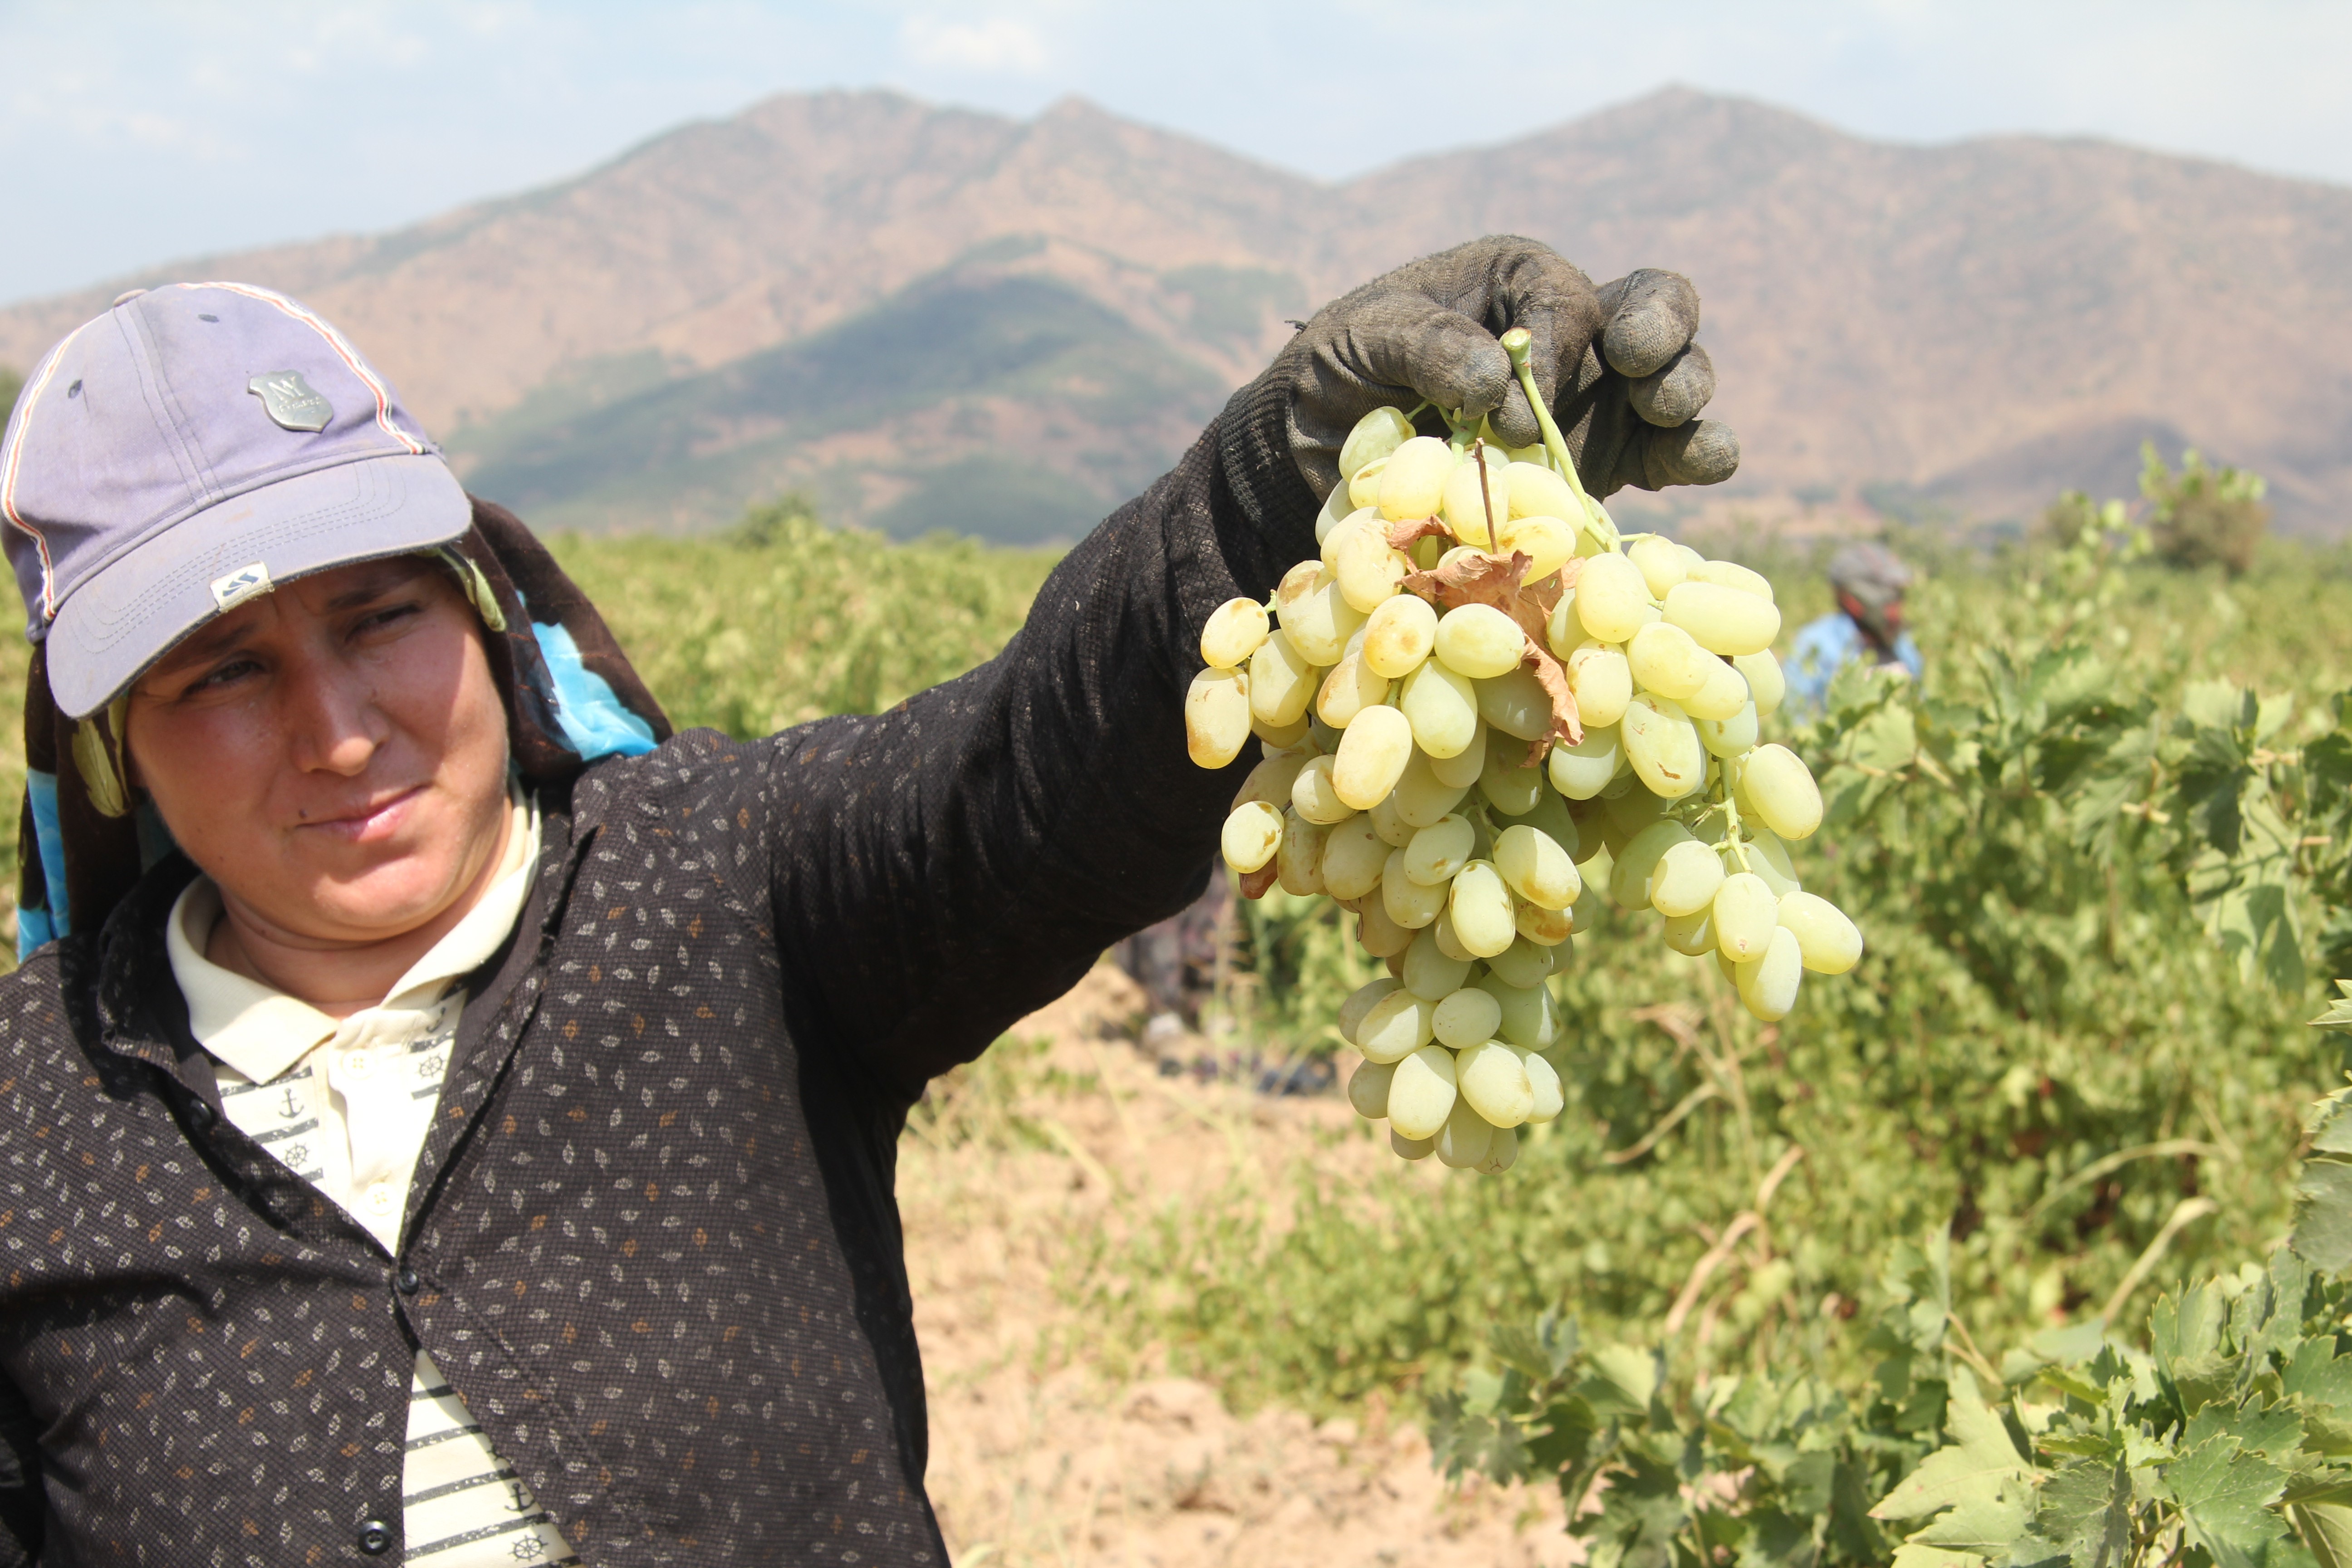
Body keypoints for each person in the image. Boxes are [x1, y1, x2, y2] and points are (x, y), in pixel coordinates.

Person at [0, 239, 1736, 1564]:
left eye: (381, 617)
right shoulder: (33, 1112)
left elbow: (1032, 770)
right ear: (109, 754)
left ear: (486, 612)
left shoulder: (718, 893)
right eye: (219, 670)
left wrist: (1278, 484)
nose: (337, 729)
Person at [1785, 540, 1923, 715]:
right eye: (1890, 598)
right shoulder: (1814, 645)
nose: (1897, 611)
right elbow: (1794, 717)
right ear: (1852, 600)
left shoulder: (1902, 644)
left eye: (1900, 598)